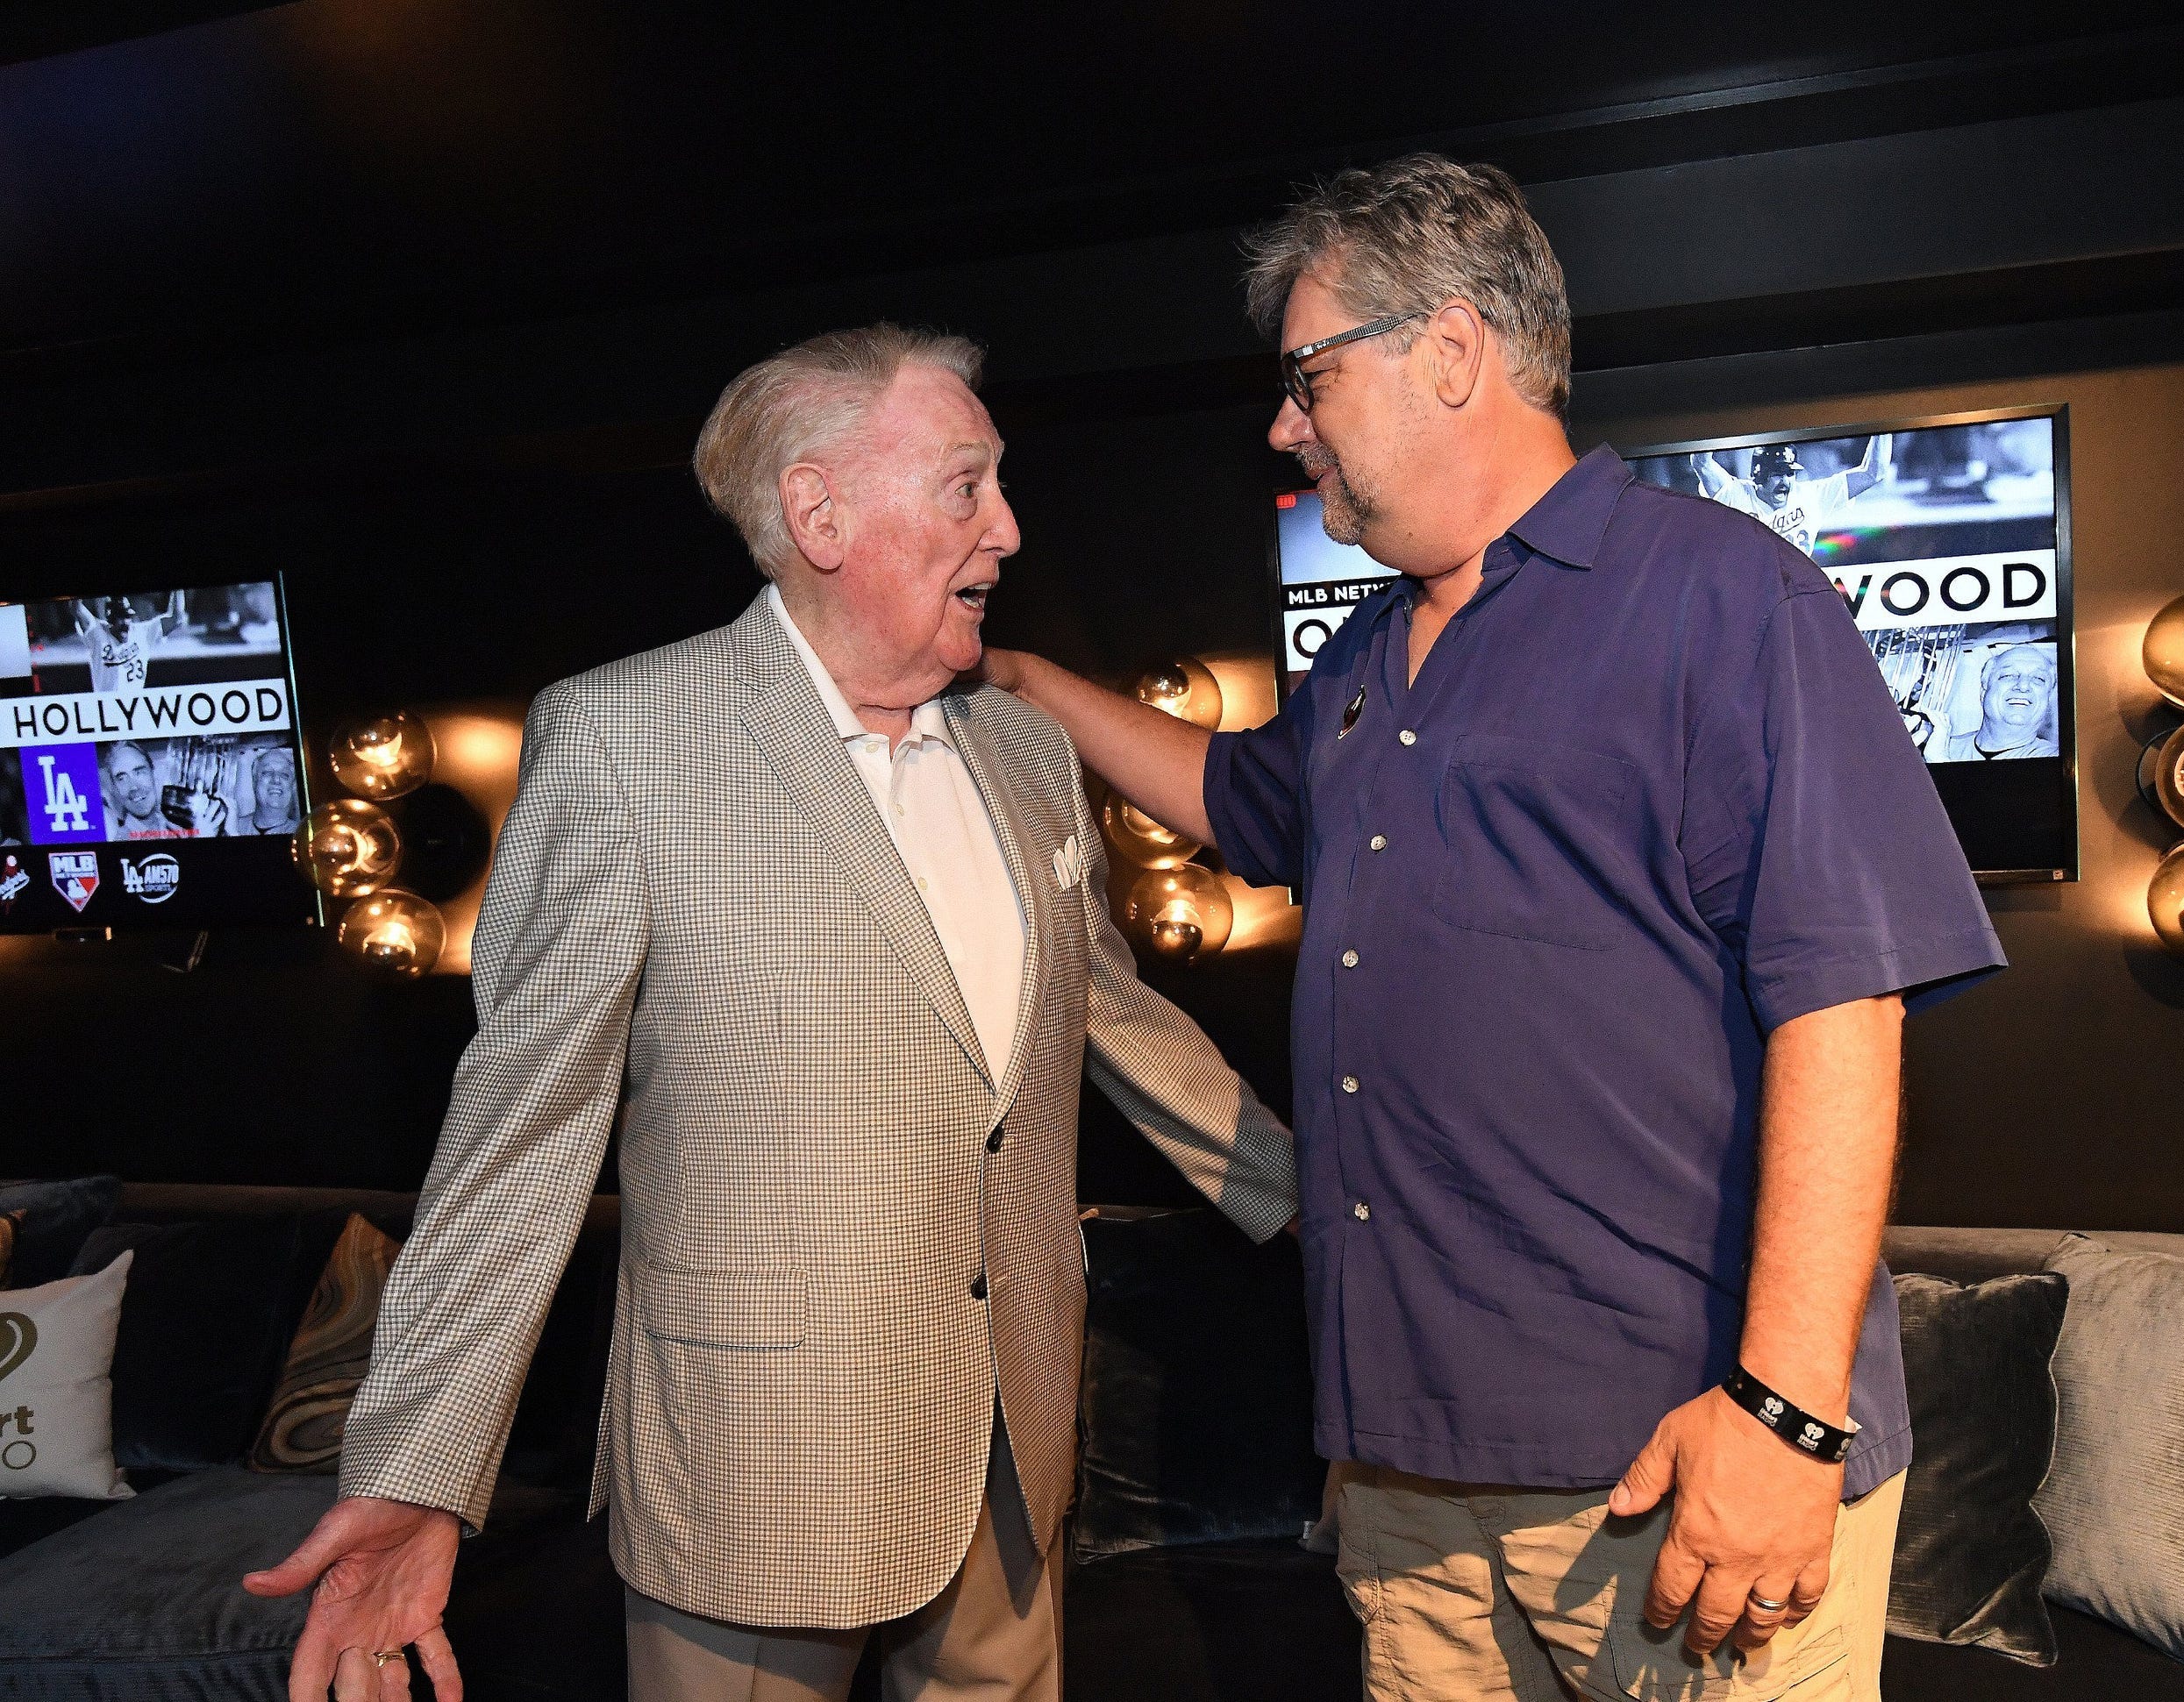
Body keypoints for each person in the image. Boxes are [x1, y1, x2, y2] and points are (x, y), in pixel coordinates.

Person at [981, 154, 2005, 1702]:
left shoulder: (1725, 601)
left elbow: (1843, 1008)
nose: (1283, 422)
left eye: (1307, 378)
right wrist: (1018, 686)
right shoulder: (1373, 655)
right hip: (1406, 1476)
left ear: (1449, 353)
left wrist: (1786, 1417)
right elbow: (1234, 796)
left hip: (1666, 1471)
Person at [245, 324, 1297, 1702]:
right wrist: (415, 1474)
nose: (1009, 529)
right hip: (757, 1468)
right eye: (966, 486)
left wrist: (1325, 1201)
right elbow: (520, 1139)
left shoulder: (1027, 750)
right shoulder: (626, 743)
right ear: (820, 513)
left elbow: (1117, 1016)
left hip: (1010, 1439)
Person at [1694, 434, 1891, 559]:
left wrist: (1884, 419)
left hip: (1795, 596)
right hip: (1748, 598)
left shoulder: (1811, 496)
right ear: (1759, 476)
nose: (1785, 481)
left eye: (1790, 474)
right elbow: (1702, 463)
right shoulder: (1735, 495)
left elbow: (1874, 473)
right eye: (1778, 474)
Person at [1944, 644, 2059, 760]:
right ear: (1983, 692)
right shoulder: (1943, 747)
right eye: (2008, 675)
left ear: (2048, 699)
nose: (2023, 686)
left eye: (2038, 678)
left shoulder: (2058, 758)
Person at [73, 592, 185, 695]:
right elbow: (76, 608)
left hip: (135, 706)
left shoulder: (142, 633)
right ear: (110, 620)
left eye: (127, 616)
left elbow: (176, 619)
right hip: (107, 707)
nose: (126, 622)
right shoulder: (96, 632)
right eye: (120, 617)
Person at [101, 740, 186, 840]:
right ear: (115, 788)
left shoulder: (174, 824)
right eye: (122, 779)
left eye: (139, 772)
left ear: (153, 774)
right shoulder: (123, 841)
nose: (134, 787)